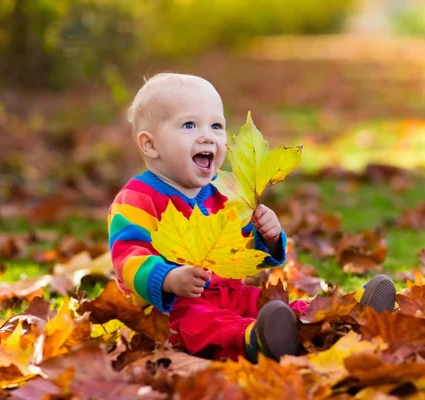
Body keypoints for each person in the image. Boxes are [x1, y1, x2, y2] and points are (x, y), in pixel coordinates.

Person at [108, 73, 397, 362]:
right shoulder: (136, 198)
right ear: (150, 144)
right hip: (171, 308)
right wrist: (168, 278)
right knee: (204, 322)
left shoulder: (223, 191)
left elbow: (242, 249)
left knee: (267, 303)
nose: (208, 135)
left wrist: (266, 237)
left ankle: (343, 313)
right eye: (189, 125)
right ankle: (255, 339)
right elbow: (127, 258)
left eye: (216, 125)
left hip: (229, 291)